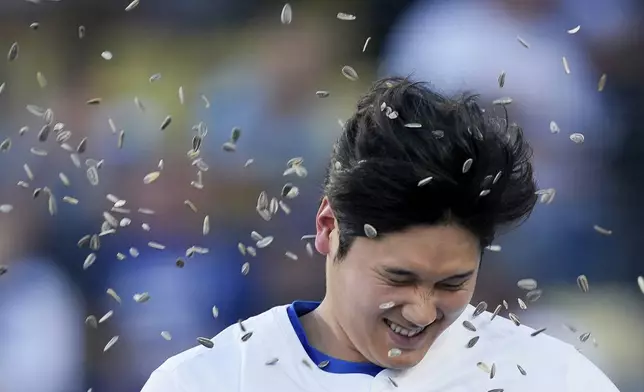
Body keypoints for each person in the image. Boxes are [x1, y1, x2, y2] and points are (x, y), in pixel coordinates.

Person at [141, 77, 620, 391]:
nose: (421, 310)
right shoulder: (209, 380)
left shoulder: (546, 377)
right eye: (398, 277)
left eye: (452, 284)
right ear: (328, 229)